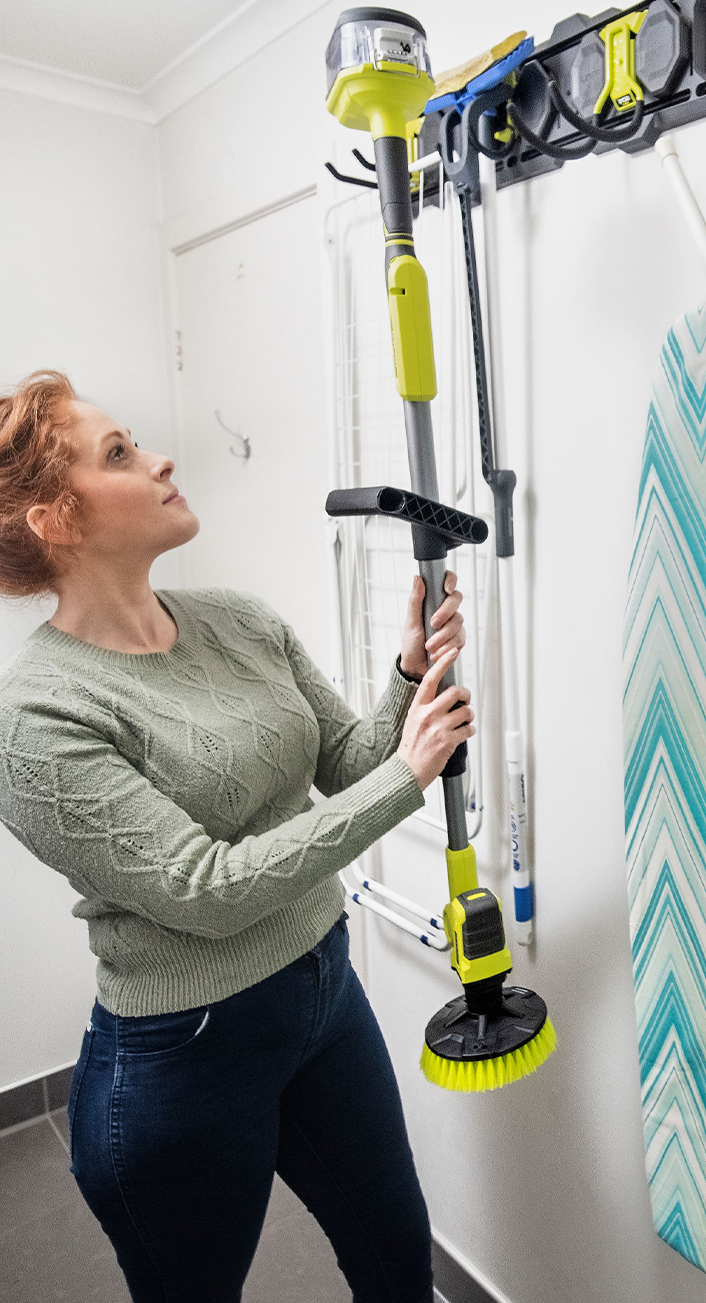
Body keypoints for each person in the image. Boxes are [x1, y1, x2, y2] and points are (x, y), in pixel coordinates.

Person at [0, 369, 472, 1302]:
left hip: (325, 997)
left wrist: (404, 678)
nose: (162, 457)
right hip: (183, 1059)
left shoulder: (237, 620)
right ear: (56, 522)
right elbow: (203, 892)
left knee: (397, 1262)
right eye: (121, 454)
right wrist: (409, 773)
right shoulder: (39, 718)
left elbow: (345, 761)